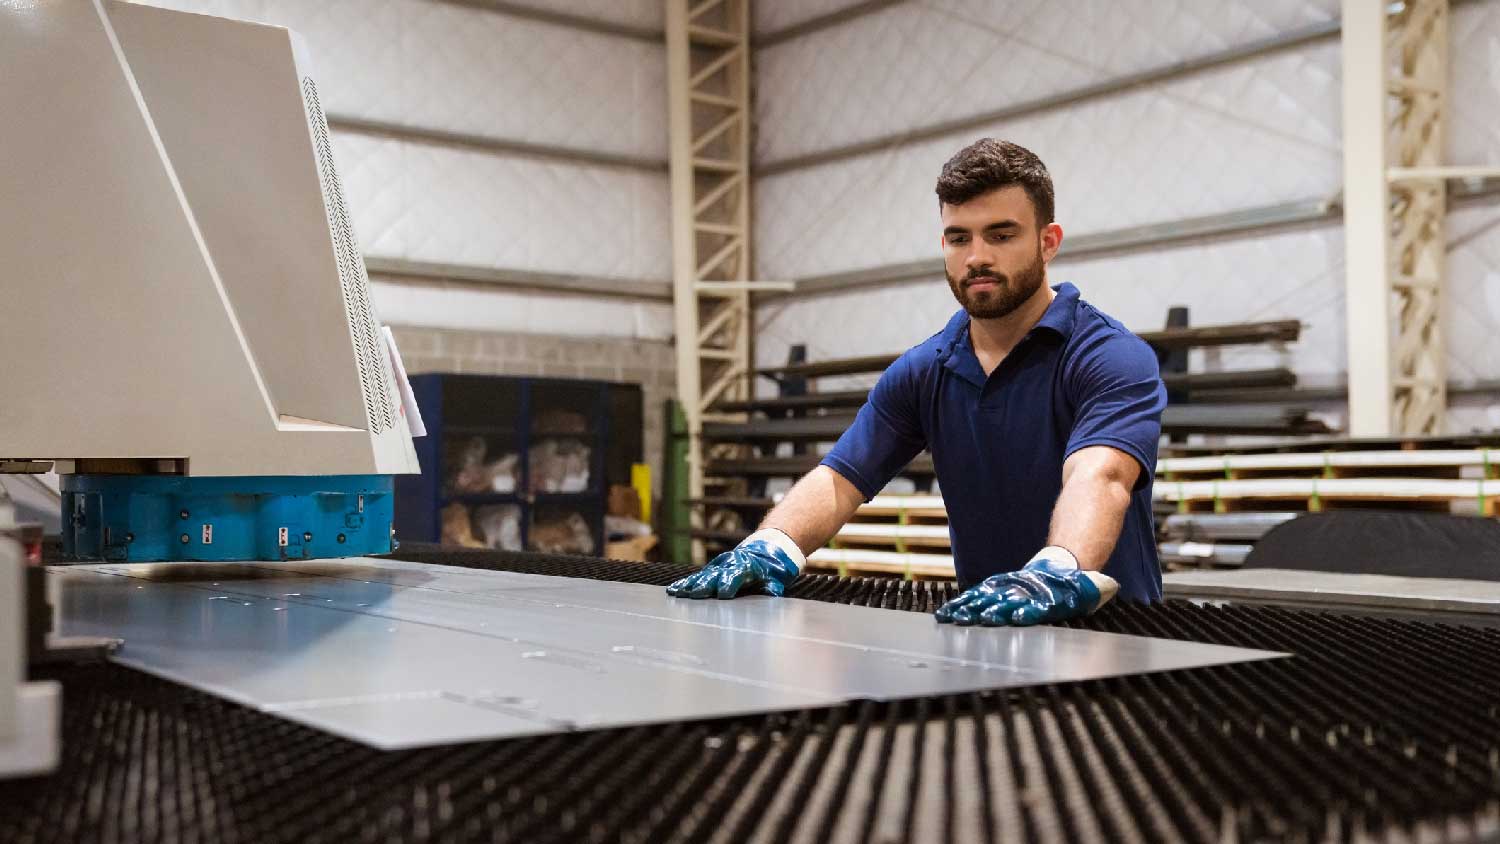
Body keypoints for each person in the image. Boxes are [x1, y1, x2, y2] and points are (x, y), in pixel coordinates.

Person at [667, 139, 1166, 626]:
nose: (977, 257)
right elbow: (840, 480)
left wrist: (1058, 569)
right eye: (959, 237)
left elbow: (1099, 477)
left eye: (1001, 234)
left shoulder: (1110, 357)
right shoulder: (925, 370)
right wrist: (770, 545)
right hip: (987, 630)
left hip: (1113, 640)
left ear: (1048, 241)